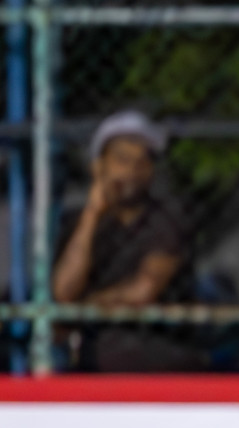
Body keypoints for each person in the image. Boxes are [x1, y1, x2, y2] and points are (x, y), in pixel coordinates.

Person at [52, 111, 196, 372]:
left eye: (143, 162)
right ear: (98, 167)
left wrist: (86, 308)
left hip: (157, 360)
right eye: (122, 160)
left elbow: (143, 291)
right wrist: (92, 214)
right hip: (93, 361)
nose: (132, 171)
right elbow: (64, 293)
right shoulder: (77, 223)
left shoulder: (166, 219)